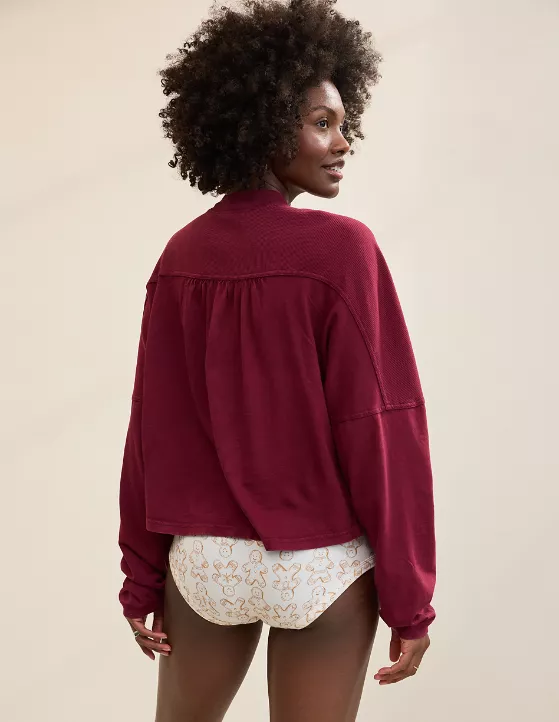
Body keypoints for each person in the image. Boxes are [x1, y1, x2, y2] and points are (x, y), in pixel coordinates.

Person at [117, 1, 436, 719]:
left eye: (344, 123)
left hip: (204, 566)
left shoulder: (181, 254)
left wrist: (141, 576)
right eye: (322, 122)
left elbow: (151, 428)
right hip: (318, 564)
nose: (343, 142)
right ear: (261, 126)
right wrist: (410, 600)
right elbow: (380, 427)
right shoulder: (343, 250)